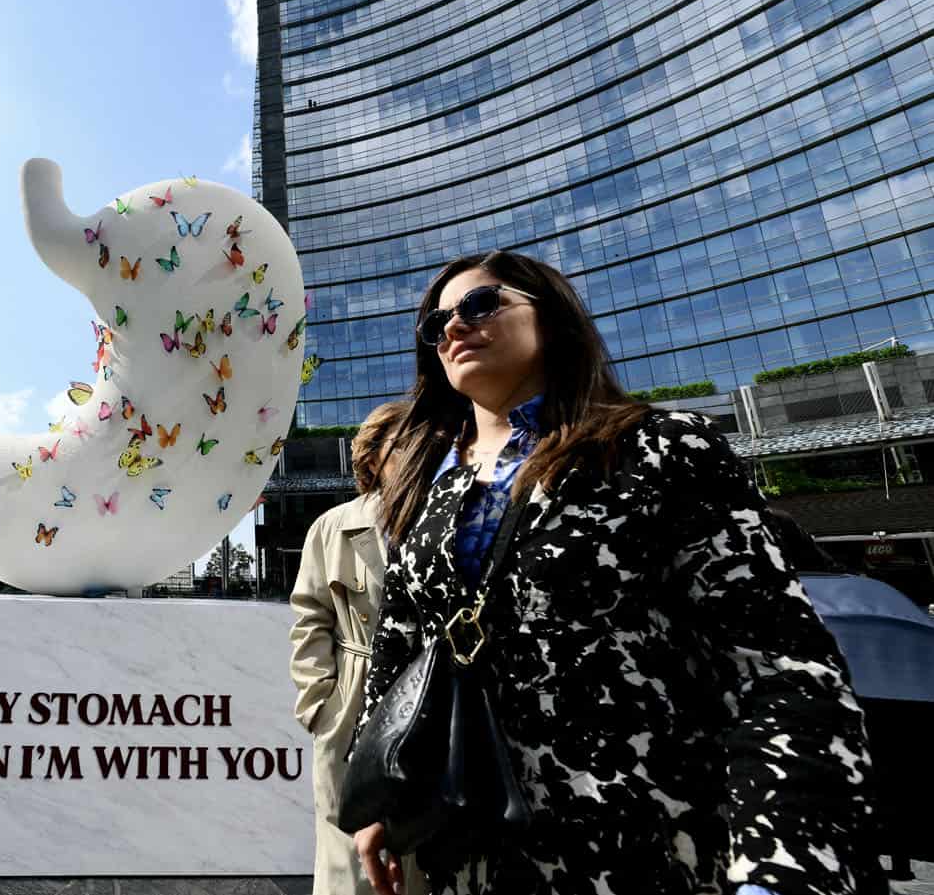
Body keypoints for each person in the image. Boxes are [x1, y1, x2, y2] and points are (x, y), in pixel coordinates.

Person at [351, 250, 882, 895]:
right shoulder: (423, 492)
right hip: (472, 849)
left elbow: (779, 667)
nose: (454, 327)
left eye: (481, 304)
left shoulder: (662, 448)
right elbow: (399, 647)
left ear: (554, 319)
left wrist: (779, 870)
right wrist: (376, 786)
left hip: (648, 841)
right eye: (435, 325)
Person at [290, 399, 424, 895]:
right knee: (348, 851)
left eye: (425, 442)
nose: (416, 453)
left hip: (430, 695)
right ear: (373, 458)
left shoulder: (448, 520)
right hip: (351, 697)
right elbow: (310, 616)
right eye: (403, 443)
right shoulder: (332, 526)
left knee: (423, 844)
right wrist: (318, 704)